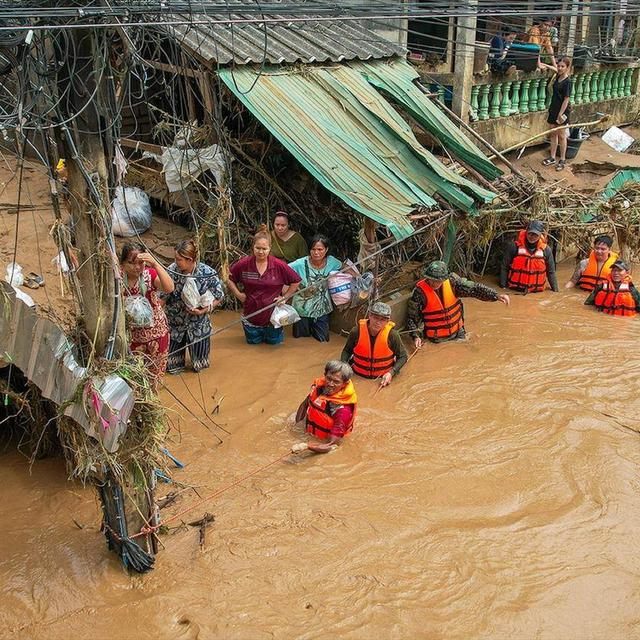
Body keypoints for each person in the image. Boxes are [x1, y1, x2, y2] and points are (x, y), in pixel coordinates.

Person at [228, 225, 301, 345]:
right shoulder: (244, 264)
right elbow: (229, 278)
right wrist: (239, 294)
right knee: (252, 350)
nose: (260, 252)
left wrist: (285, 297)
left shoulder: (278, 265)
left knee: (274, 348)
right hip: (251, 317)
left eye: (264, 248)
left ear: (270, 248)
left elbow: (296, 280)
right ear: (253, 247)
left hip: (274, 320)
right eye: (258, 248)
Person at [407, 261, 510, 346]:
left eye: (438, 280)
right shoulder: (419, 293)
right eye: (432, 280)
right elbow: (412, 317)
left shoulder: (453, 282)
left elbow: (474, 289)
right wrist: (416, 336)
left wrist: (495, 295)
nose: (434, 283)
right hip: (437, 338)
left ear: (444, 279)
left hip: (458, 332)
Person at [163, 239, 225, 374]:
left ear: (190, 259)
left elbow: (219, 296)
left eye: (179, 259)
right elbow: (162, 296)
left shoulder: (207, 273)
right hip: (175, 324)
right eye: (175, 258)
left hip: (198, 326)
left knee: (200, 368)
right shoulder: (171, 271)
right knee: (172, 368)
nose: (176, 262)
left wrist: (203, 310)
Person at [119, 243, 174, 382]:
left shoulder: (149, 275)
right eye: (131, 263)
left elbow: (169, 288)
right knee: (133, 378)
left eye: (140, 263)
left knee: (154, 377)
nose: (137, 267)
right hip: (131, 337)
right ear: (123, 263)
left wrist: (155, 264)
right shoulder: (117, 278)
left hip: (156, 333)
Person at [295, 360, 357, 453]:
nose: (330, 384)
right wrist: (298, 425)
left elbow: (332, 445)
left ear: (345, 384)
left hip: (323, 441)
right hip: (310, 432)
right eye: (329, 378)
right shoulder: (319, 388)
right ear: (325, 375)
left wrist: (306, 446)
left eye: (336, 382)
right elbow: (304, 405)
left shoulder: (343, 410)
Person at [288, 234, 342, 342]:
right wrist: (285, 294)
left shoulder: (332, 262)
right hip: (301, 310)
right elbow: (283, 271)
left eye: (320, 249)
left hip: (322, 309)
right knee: (300, 342)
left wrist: (359, 278)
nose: (316, 252)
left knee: (323, 341)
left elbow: (345, 267)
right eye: (313, 249)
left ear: (326, 250)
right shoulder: (299, 264)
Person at [340, 301, 408, 388]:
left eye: (383, 319)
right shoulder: (356, 332)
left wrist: (391, 373)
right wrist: (344, 368)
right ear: (370, 316)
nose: (378, 322)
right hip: (357, 375)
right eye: (375, 317)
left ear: (388, 321)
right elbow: (347, 351)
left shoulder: (393, 335)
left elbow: (403, 357)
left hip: (382, 378)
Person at [501, 220, 559, 293]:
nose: (532, 237)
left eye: (535, 235)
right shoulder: (514, 247)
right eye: (530, 233)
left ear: (540, 235)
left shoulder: (546, 250)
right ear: (526, 232)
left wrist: (555, 291)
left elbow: (551, 272)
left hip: (537, 294)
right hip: (515, 291)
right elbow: (504, 267)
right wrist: (503, 287)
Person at [540, 57, 573, 171]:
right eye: (559, 66)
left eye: (562, 66)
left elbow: (566, 99)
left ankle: (562, 159)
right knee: (553, 134)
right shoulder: (558, 76)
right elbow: (554, 69)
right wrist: (546, 65)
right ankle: (552, 157)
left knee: (562, 136)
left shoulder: (567, 82)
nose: (559, 68)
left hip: (562, 111)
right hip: (553, 109)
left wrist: (561, 113)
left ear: (568, 68)